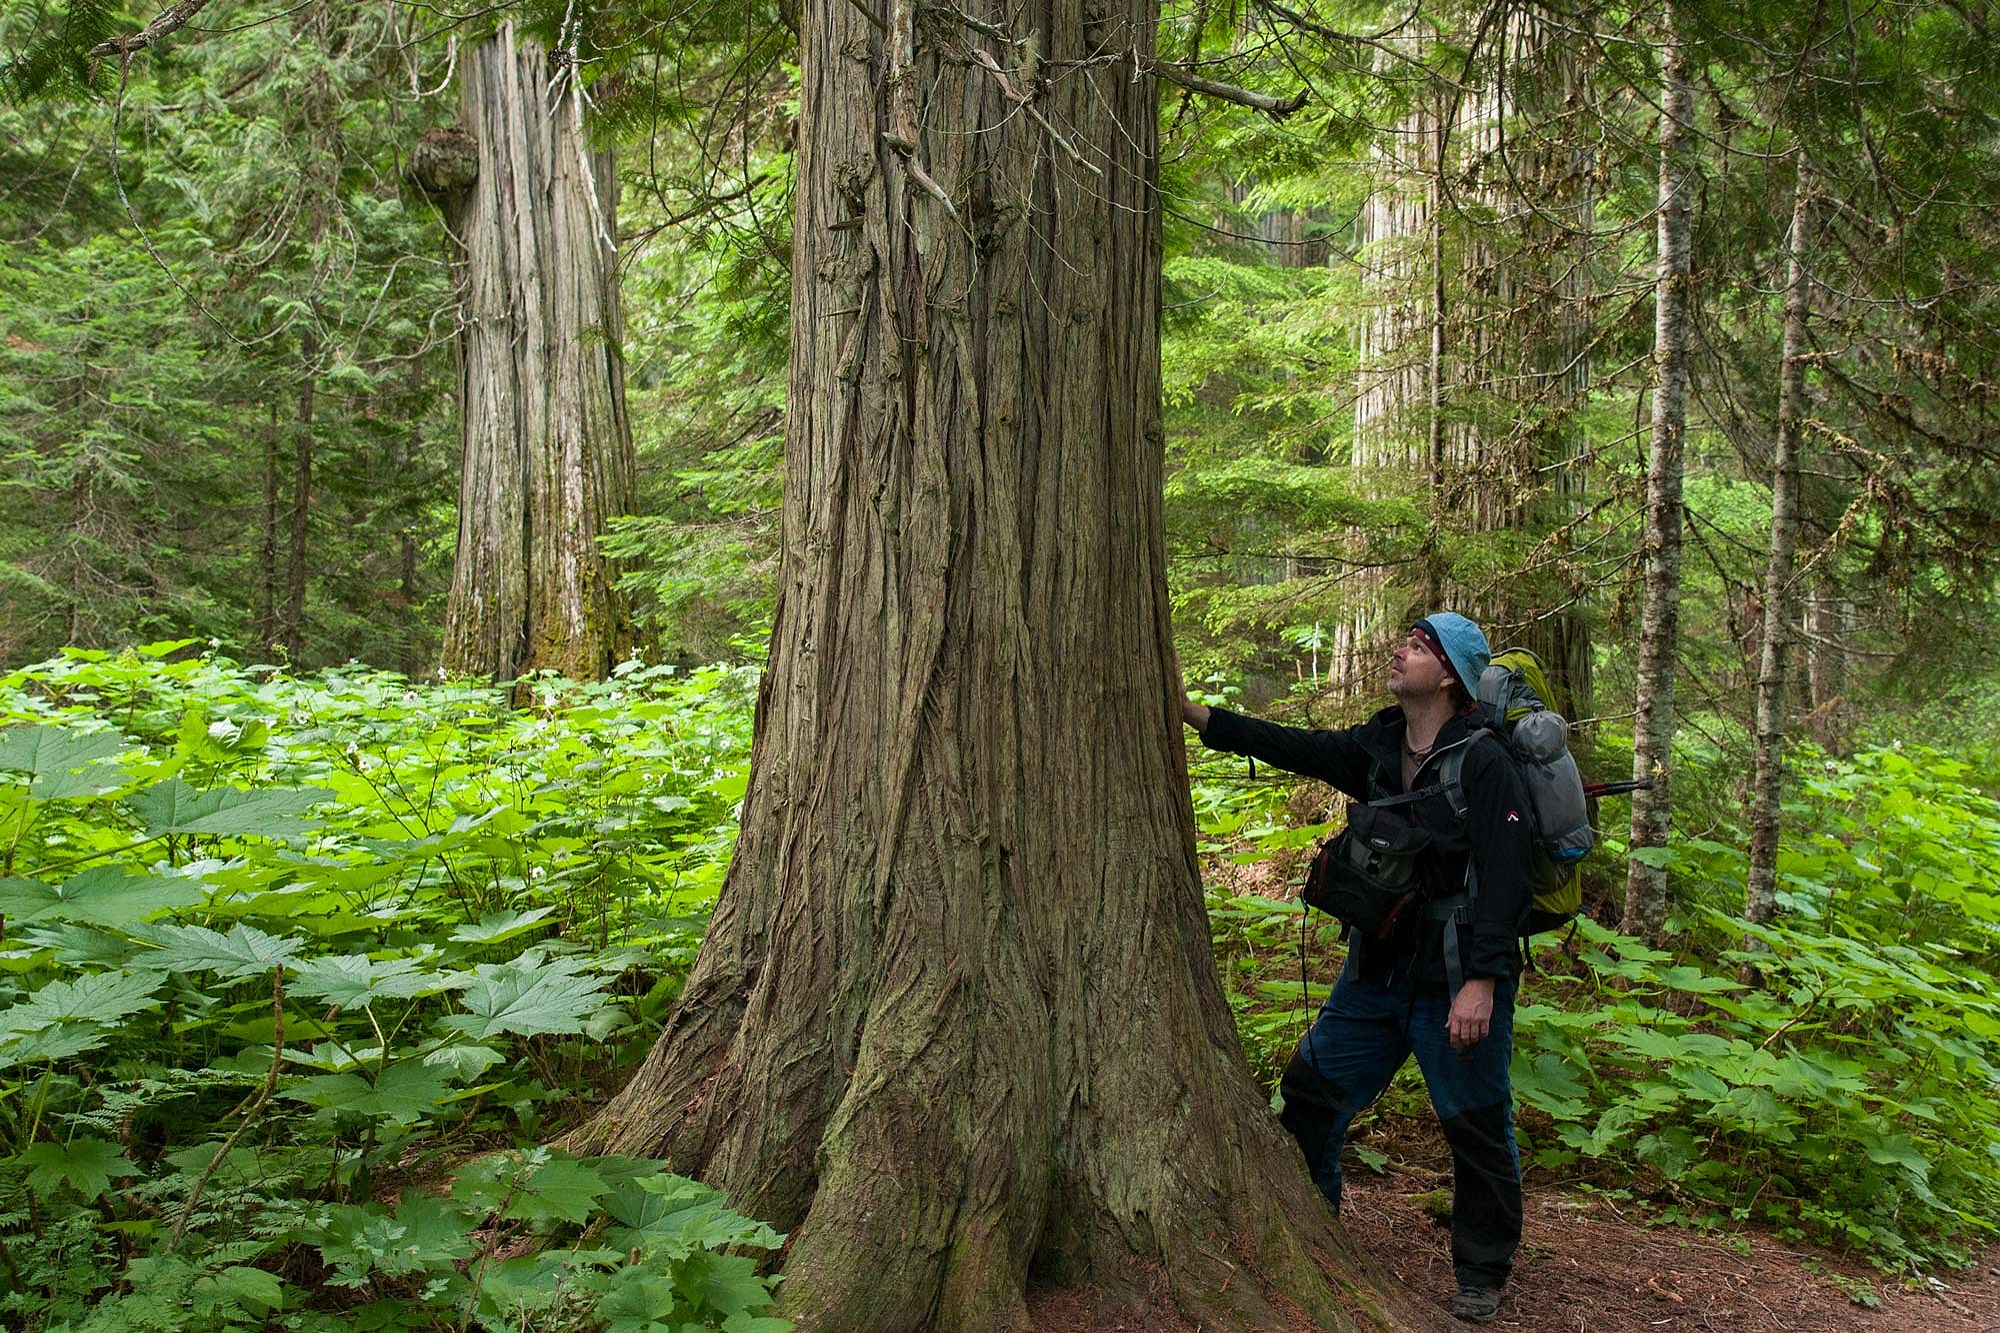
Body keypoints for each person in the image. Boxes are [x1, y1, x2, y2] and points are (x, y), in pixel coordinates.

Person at [1182, 613, 1533, 1325]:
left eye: (1417, 645)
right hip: (1375, 975)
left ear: (1451, 676)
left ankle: (1482, 1271)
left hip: (1454, 983)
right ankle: (1315, 1227)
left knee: (1474, 1122)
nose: (1398, 650)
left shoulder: (1485, 760)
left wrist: (1482, 983)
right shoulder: (1377, 745)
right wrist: (1199, 716)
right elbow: (1293, 746)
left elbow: (1506, 879)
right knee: (1311, 1092)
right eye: (1404, 639)